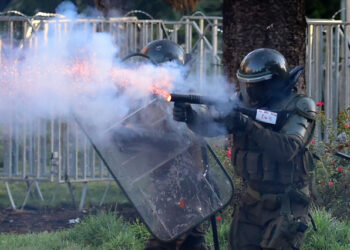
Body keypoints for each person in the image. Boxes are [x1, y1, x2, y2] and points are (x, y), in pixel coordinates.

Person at [173, 48, 316, 250]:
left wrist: (247, 125)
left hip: (287, 204)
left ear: (273, 82)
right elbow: (211, 127)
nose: (249, 90)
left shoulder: (299, 106)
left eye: (255, 84)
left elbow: (288, 149)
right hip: (252, 201)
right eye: (246, 83)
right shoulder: (241, 101)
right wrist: (190, 117)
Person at [140, 39, 210, 250]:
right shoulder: (148, 99)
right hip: (162, 181)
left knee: (166, 241)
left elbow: (186, 136)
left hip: (185, 182)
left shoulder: (184, 97)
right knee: (190, 241)